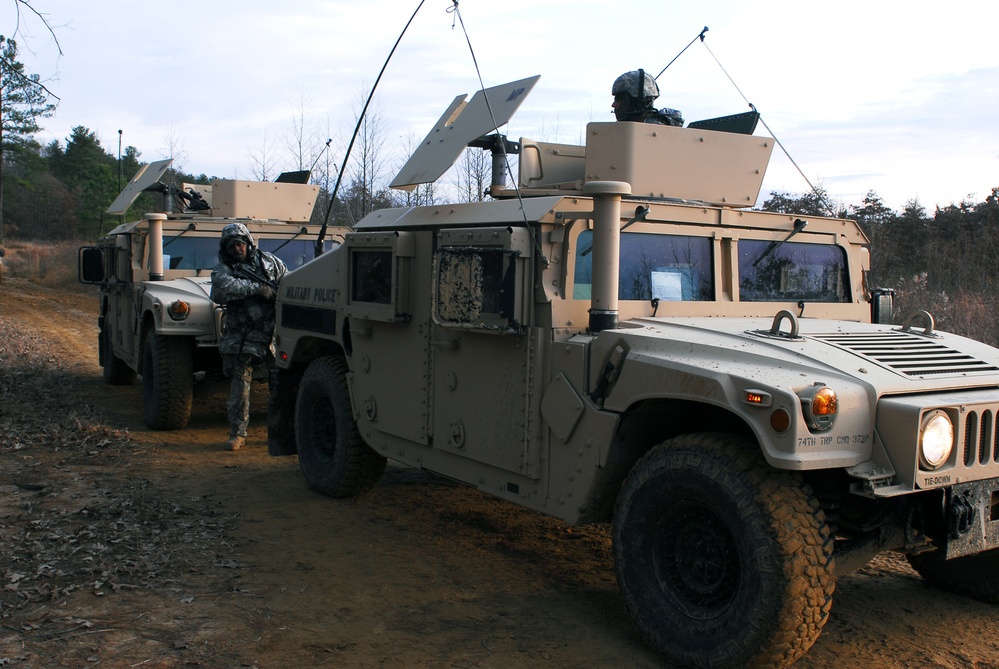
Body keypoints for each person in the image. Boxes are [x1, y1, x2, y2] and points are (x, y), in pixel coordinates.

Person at [210, 222, 287, 451]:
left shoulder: (269, 262)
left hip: (272, 333)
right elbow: (223, 287)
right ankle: (238, 433)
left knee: (281, 385)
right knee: (241, 384)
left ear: (248, 244)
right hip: (243, 336)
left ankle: (282, 432)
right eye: (232, 245)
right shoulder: (223, 269)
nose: (237, 249)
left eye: (240, 243)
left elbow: (287, 280)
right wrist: (257, 289)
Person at [611, 69, 684, 127]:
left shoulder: (654, 130)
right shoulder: (620, 130)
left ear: (636, 101)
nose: (613, 105)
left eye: (618, 98)